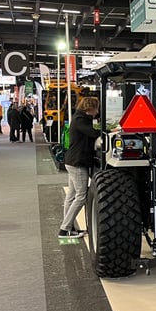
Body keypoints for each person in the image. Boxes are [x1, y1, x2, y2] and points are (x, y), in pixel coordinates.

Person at [58, 97, 101, 239]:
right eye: (97, 108)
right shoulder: (80, 120)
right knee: (81, 196)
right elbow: (94, 133)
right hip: (78, 162)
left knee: (71, 196)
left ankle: (68, 227)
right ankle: (64, 229)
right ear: (90, 108)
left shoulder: (79, 118)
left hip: (72, 161)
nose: (98, 111)